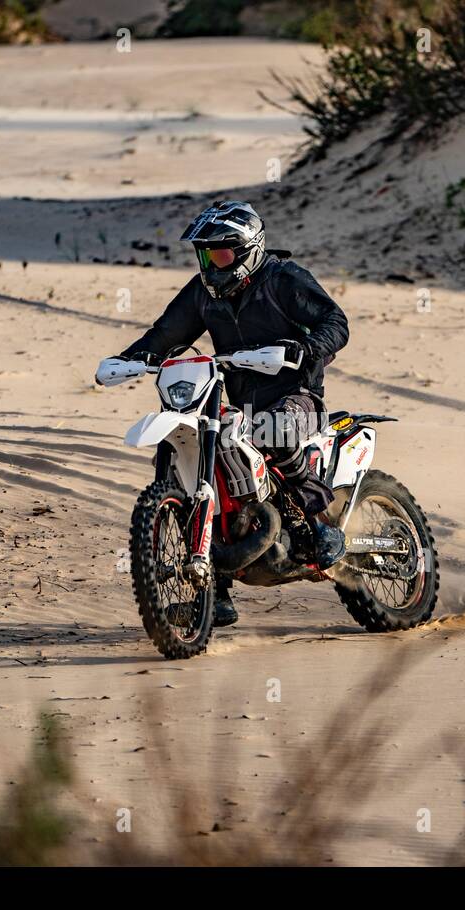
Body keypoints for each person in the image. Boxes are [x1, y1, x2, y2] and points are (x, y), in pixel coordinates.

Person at [101, 200, 349, 627]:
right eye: (204, 253)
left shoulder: (282, 278)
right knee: (189, 455)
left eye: (219, 253)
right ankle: (214, 592)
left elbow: (335, 321)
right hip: (231, 401)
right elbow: (165, 335)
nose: (210, 262)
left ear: (246, 249)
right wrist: (130, 360)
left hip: (296, 394)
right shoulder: (203, 291)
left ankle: (319, 524)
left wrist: (305, 349)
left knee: (274, 431)